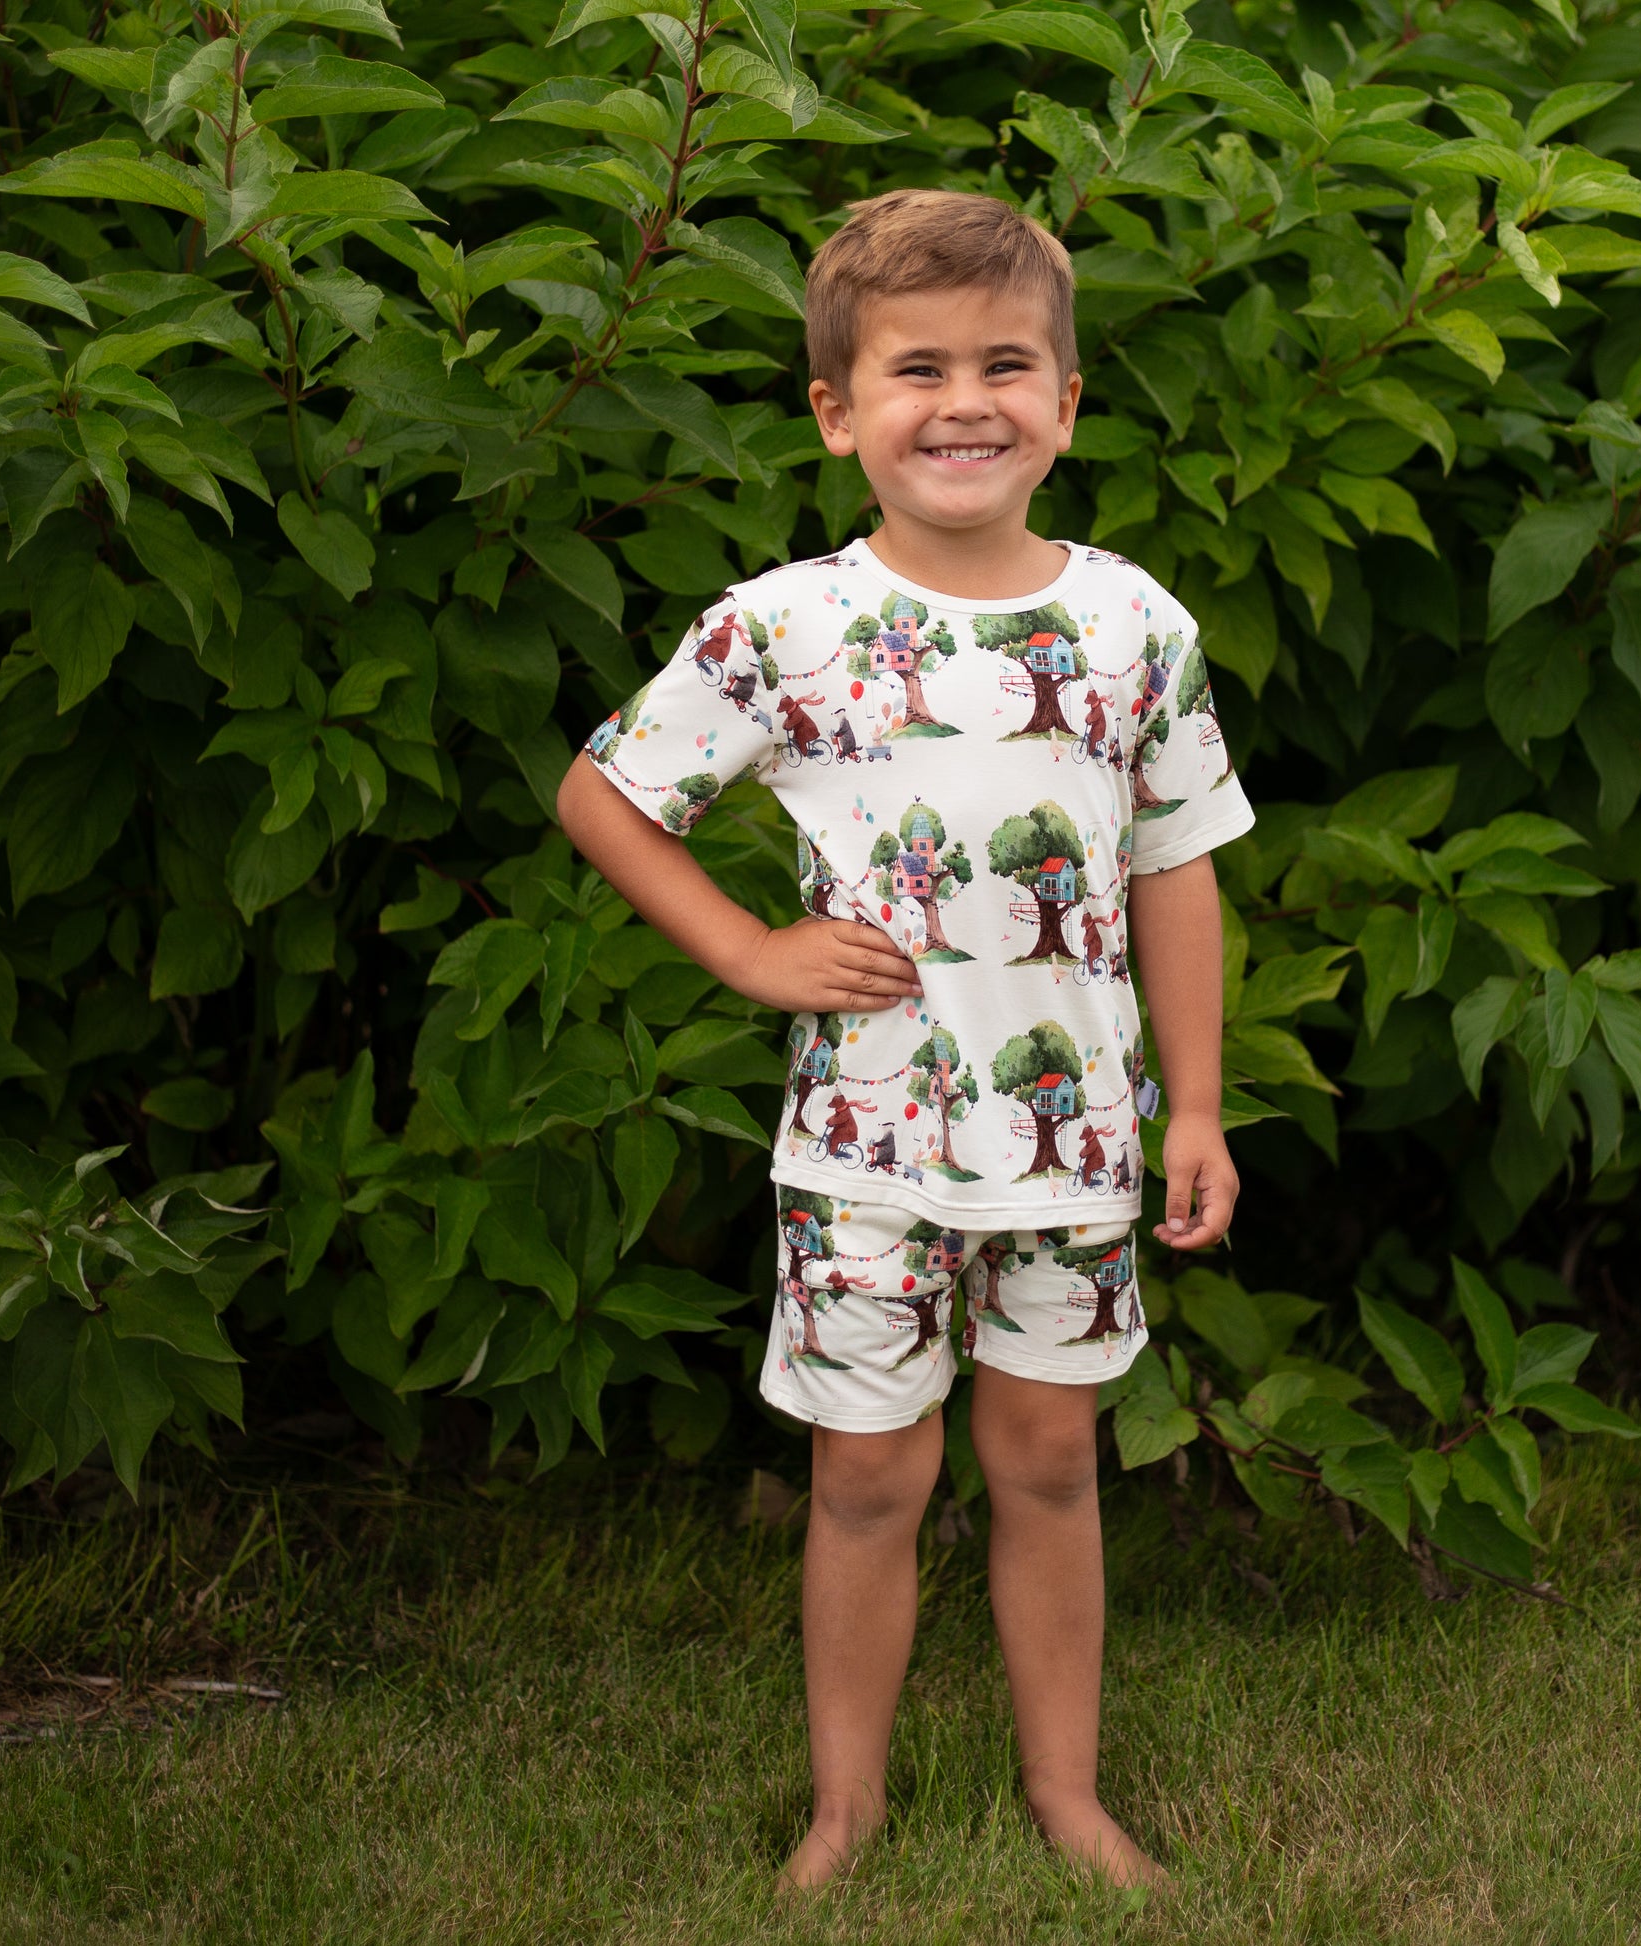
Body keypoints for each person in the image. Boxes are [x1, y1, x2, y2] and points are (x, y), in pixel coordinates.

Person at [557, 188, 1252, 1901]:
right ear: (837, 411)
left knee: (1046, 1460)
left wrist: (1197, 1108)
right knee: (867, 1473)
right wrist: (745, 947)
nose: (963, 402)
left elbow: (1175, 868)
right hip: (862, 1149)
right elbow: (604, 792)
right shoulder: (783, 625)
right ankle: (844, 1809)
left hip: (1079, 1145)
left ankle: (1067, 1797)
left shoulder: (1129, 626)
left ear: (1067, 402)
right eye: (915, 368)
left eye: (1006, 364)